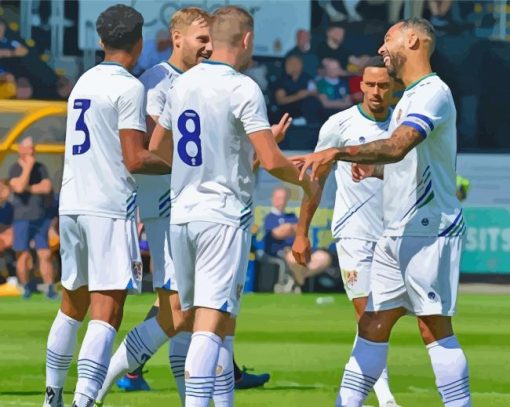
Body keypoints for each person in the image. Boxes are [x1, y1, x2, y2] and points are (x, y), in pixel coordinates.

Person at [293, 18, 471, 407]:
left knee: (433, 329)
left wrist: (337, 153)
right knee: (372, 324)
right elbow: (401, 160)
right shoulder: (409, 95)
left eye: (387, 39)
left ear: (412, 39)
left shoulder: (432, 92)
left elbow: (396, 146)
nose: (381, 48)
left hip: (429, 229)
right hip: (398, 231)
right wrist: (374, 169)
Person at [97, 9, 270, 404]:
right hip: (169, 205)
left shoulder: (198, 80)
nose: (208, 46)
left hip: (190, 204)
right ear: (177, 38)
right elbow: (150, 151)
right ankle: (98, 383)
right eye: (200, 38)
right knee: (179, 313)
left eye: (211, 38)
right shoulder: (157, 82)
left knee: (202, 317)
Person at [151, 6, 316, 406]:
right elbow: (274, 161)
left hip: (183, 215)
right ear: (245, 40)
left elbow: (155, 147)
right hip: (222, 217)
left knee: (219, 322)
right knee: (209, 325)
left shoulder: (181, 84)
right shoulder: (242, 87)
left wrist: (209, 165)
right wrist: (307, 182)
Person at [43, 5, 171, 407]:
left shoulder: (83, 82)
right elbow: (135, 158)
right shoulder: (129, 86)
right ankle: (83, 401)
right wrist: (182, 164)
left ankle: (52, 397)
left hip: (74, 202)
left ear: (100, 41)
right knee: (107, 311)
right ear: (140, 42)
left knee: (71, 305)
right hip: (108, 206)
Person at [292, 56, 400, 407]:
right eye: (369, 85)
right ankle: (385, 399)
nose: (376, 92)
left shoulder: (405, 127)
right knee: (367, 316)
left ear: (394, 86)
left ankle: (347, 396)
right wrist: (301, 231)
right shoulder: (339, 125)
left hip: (395, 235)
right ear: (360, 85)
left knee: (380, 321)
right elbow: (315, 183)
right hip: (353, 233)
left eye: (383, 85)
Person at [8, 137, 56, 299]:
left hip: (40, 218)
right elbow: (18, 187)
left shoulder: (41, 168)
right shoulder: (15, 168)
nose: (32, 151)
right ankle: (25, 287)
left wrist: (27, 188)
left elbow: (47, 187)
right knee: (24, 255)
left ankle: (50, 288)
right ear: (21, 150)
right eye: (28, 148)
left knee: (45, 254)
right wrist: (28, 167)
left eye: (33, 148)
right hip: (21, 219)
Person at [264, 186, 331, 292]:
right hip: (284, 252)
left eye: (282, 198)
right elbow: (277, 234)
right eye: (278, 198)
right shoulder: (269, 218)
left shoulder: (292, 216)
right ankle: (300, 283)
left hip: (301, 250)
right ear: (273, 199)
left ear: (287, 199)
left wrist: (289, 228)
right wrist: (292, 228)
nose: (279, 201)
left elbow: (301, 230)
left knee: (324, 257)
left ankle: (298, 279)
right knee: (295, 258)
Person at [274, 55, 319, 124]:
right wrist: (298, 96)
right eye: (290, 64)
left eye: (296, 64)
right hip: (287, 110)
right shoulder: (281, 80)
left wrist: (307, 93)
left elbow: (315, 92)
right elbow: (280, 100)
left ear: (301, 65)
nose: (293, 66)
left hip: (305, 109)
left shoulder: (307, 78)